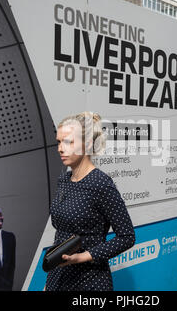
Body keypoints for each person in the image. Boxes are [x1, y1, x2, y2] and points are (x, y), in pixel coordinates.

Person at [45, 111, 135, 291]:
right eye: (59, 142)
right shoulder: (63, 180)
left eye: (68, 141)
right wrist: (50, 283)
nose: (60, 148)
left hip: (89, 281)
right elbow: (61, 233)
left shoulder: (101, 184)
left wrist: (83, 256)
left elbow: (127, 237)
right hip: (59, 278)